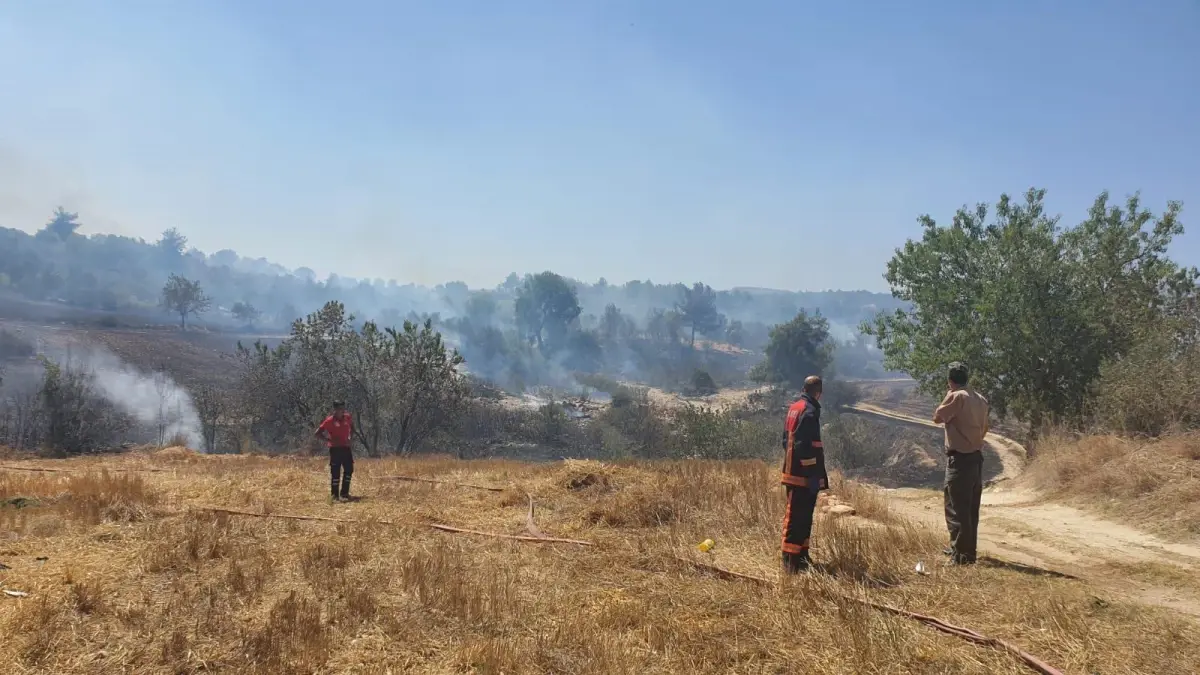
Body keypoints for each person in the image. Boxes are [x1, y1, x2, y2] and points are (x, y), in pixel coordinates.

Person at [932, 362, 990, 565]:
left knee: (956, 508)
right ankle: (967, 552)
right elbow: (984, 429)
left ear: (950, 380)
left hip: (960, 460)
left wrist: (949, 394)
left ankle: (960, 557)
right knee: (970, 509)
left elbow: (938, 417)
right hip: (976, 458)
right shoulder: (980, 399)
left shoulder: (956, 396)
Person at [780, 375, 829, 573]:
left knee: (804, 518)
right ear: (819, 393)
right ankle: (790, 563)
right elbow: (804, 446)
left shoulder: (795, 408)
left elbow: (785, 441)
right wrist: (811, 474)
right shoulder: (809, 412)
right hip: (802, 476)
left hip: (795, 472)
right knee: (795, 519)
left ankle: (802, 557)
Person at [315, 401, 354, 501]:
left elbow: (352, 427)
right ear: (335, 409)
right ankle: (334, 496)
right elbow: (317, 433)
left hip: (346, 447)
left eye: (342, 408)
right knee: (335, 472)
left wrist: (350, 437)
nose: (341, 410)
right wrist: (328, 440)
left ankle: (344, 493)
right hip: (335, 449)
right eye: (339, 408)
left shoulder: (347, 417)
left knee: (349, 470)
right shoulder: (329, 421)